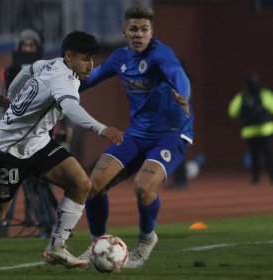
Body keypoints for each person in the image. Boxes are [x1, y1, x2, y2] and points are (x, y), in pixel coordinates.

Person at [0, 30, 123, 273]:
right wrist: (102, 128)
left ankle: (56, 247)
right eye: (85, 59)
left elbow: (26, 70)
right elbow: (70, 108)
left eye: (93, 59)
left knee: (81, 184)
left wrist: (12, 99)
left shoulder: (51, 63)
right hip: (8, 149)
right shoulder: (64, 78)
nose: (90, 65)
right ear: (69, 56)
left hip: (38, 144)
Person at [78, 4, 193, 269]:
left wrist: (182, 95)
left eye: (144, 29)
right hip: (137, 133)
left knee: (143, 186)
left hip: (171, 135)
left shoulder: (161, 54)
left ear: (152, 32)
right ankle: (98, 243)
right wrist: (61, 87)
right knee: (92, 185)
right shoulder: (120, 58)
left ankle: (146, 239)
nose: (139, 34)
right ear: (124, 31)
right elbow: (91, 78)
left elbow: (178, 74)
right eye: (134, 29)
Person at [0, 28, 58, 239]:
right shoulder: (7, 73)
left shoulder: (49, 70)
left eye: (31, 46)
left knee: (41, 184)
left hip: (40, 137)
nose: (27, 49)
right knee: (6, 182)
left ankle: (48, 226)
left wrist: (58, 132)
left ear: (38, 49)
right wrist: (1, 131)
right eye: (24, 45)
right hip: (11, 138)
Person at [228, 73, 273, 184]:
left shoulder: (242, 96)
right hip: (266, 129)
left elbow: (232, 112)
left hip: (249, 131)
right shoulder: (264, 94)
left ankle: (255, 178)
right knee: (269, 155)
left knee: (254, 155)